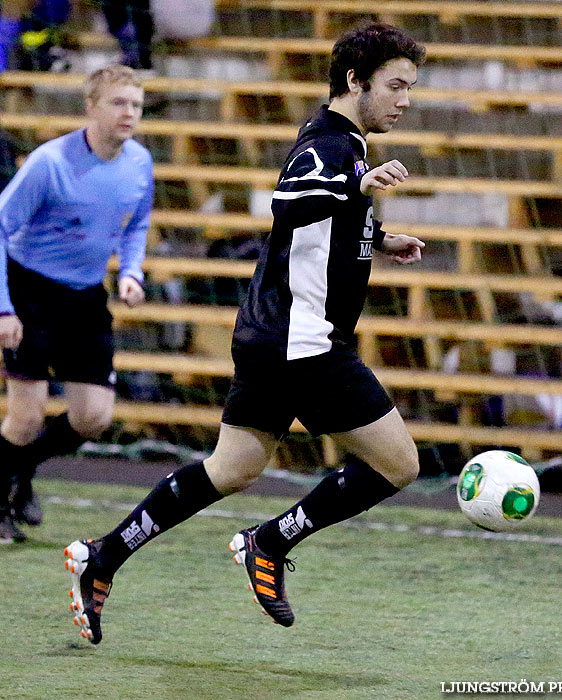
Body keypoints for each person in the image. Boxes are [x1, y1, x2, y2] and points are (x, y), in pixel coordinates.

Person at [64, 23, 426, 644]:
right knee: (399, 464)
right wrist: (356, 187)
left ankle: (101, 558)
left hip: (271, 333)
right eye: (395, 85)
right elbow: (289, 204)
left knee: (230, 468)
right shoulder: (332, 146)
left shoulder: (343, 143)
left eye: (409, 88)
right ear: (354, 81)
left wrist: (376, 238)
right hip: (303, 343)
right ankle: (268, 540)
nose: (405, 99)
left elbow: (315, 228)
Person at [0, 64, 153, 543]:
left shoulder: (140, 163)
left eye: (136, 105)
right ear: (90, 106)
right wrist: (5, 308)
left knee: (94, 418)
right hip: (30, 291)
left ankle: (16, 475)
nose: (129, 113)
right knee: (25, 418)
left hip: (86, 297)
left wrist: (131, 271)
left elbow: (136, 225)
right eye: (118, 102)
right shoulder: (49, 163)